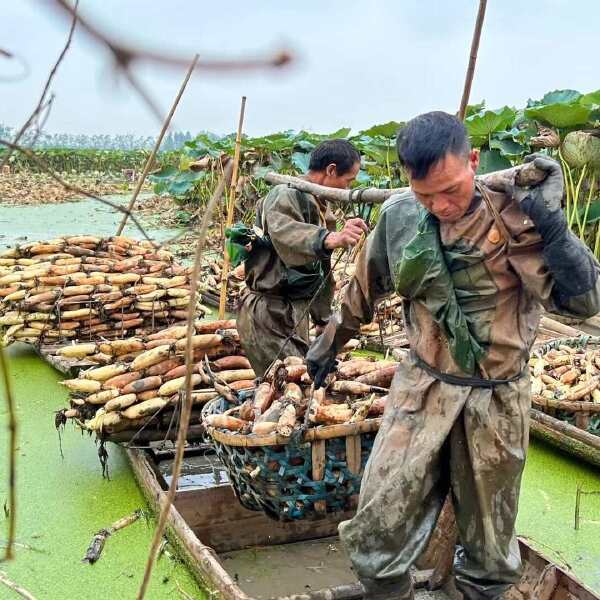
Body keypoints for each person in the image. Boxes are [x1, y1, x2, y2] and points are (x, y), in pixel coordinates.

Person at [306, 111, 600, 599]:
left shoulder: (516, 213)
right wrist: (327, 346)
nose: (440, 205)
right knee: (379, 523)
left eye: (451, 190)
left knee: (489, 546)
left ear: (474, 161)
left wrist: (554, 226)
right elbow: (363, 289)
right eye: (426, 194)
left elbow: (583, 303)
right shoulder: (401, 216)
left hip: (496, 401)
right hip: (422, 388)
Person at [237, 139, 368, 377]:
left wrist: (322, 318)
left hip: (293, 311)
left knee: (300, 380)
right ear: (330, 170)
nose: (348, 189)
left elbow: (318, 269)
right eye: (348, 181)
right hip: (269, 313)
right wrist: (330, 238)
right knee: (284, 385)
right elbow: (285, 232)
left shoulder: (317, 202)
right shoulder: (284, 194)